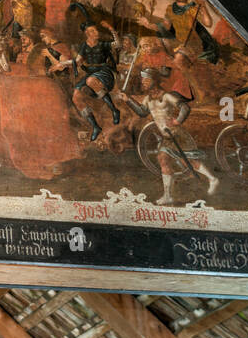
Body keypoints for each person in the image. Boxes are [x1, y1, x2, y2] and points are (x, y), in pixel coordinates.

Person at [134, 68, 219, 205]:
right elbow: (141, 113)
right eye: (143, 80)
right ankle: (168, 195)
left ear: (154, 81)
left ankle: (212, 179)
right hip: (166, 137)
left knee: (188, 162)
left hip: (177, 135)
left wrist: (178, 121)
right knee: (163, 160)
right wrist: (127, 100)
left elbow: (185, 108)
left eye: (146, 79)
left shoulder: (167, 96)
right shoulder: (147, 99)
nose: (143, 82)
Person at [71, 24, 120, 140]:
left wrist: (112, 29)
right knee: (76, 97)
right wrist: (63, 64)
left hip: (104, 72)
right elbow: (77, 61)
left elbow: (117, 44)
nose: (97, 32)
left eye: (96, 30)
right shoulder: (84, 46)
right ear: (87, 34)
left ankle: (114, 110)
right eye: (93, 31)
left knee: (90, 80)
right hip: (91, 73)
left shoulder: (103, 44)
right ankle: (95, 126)